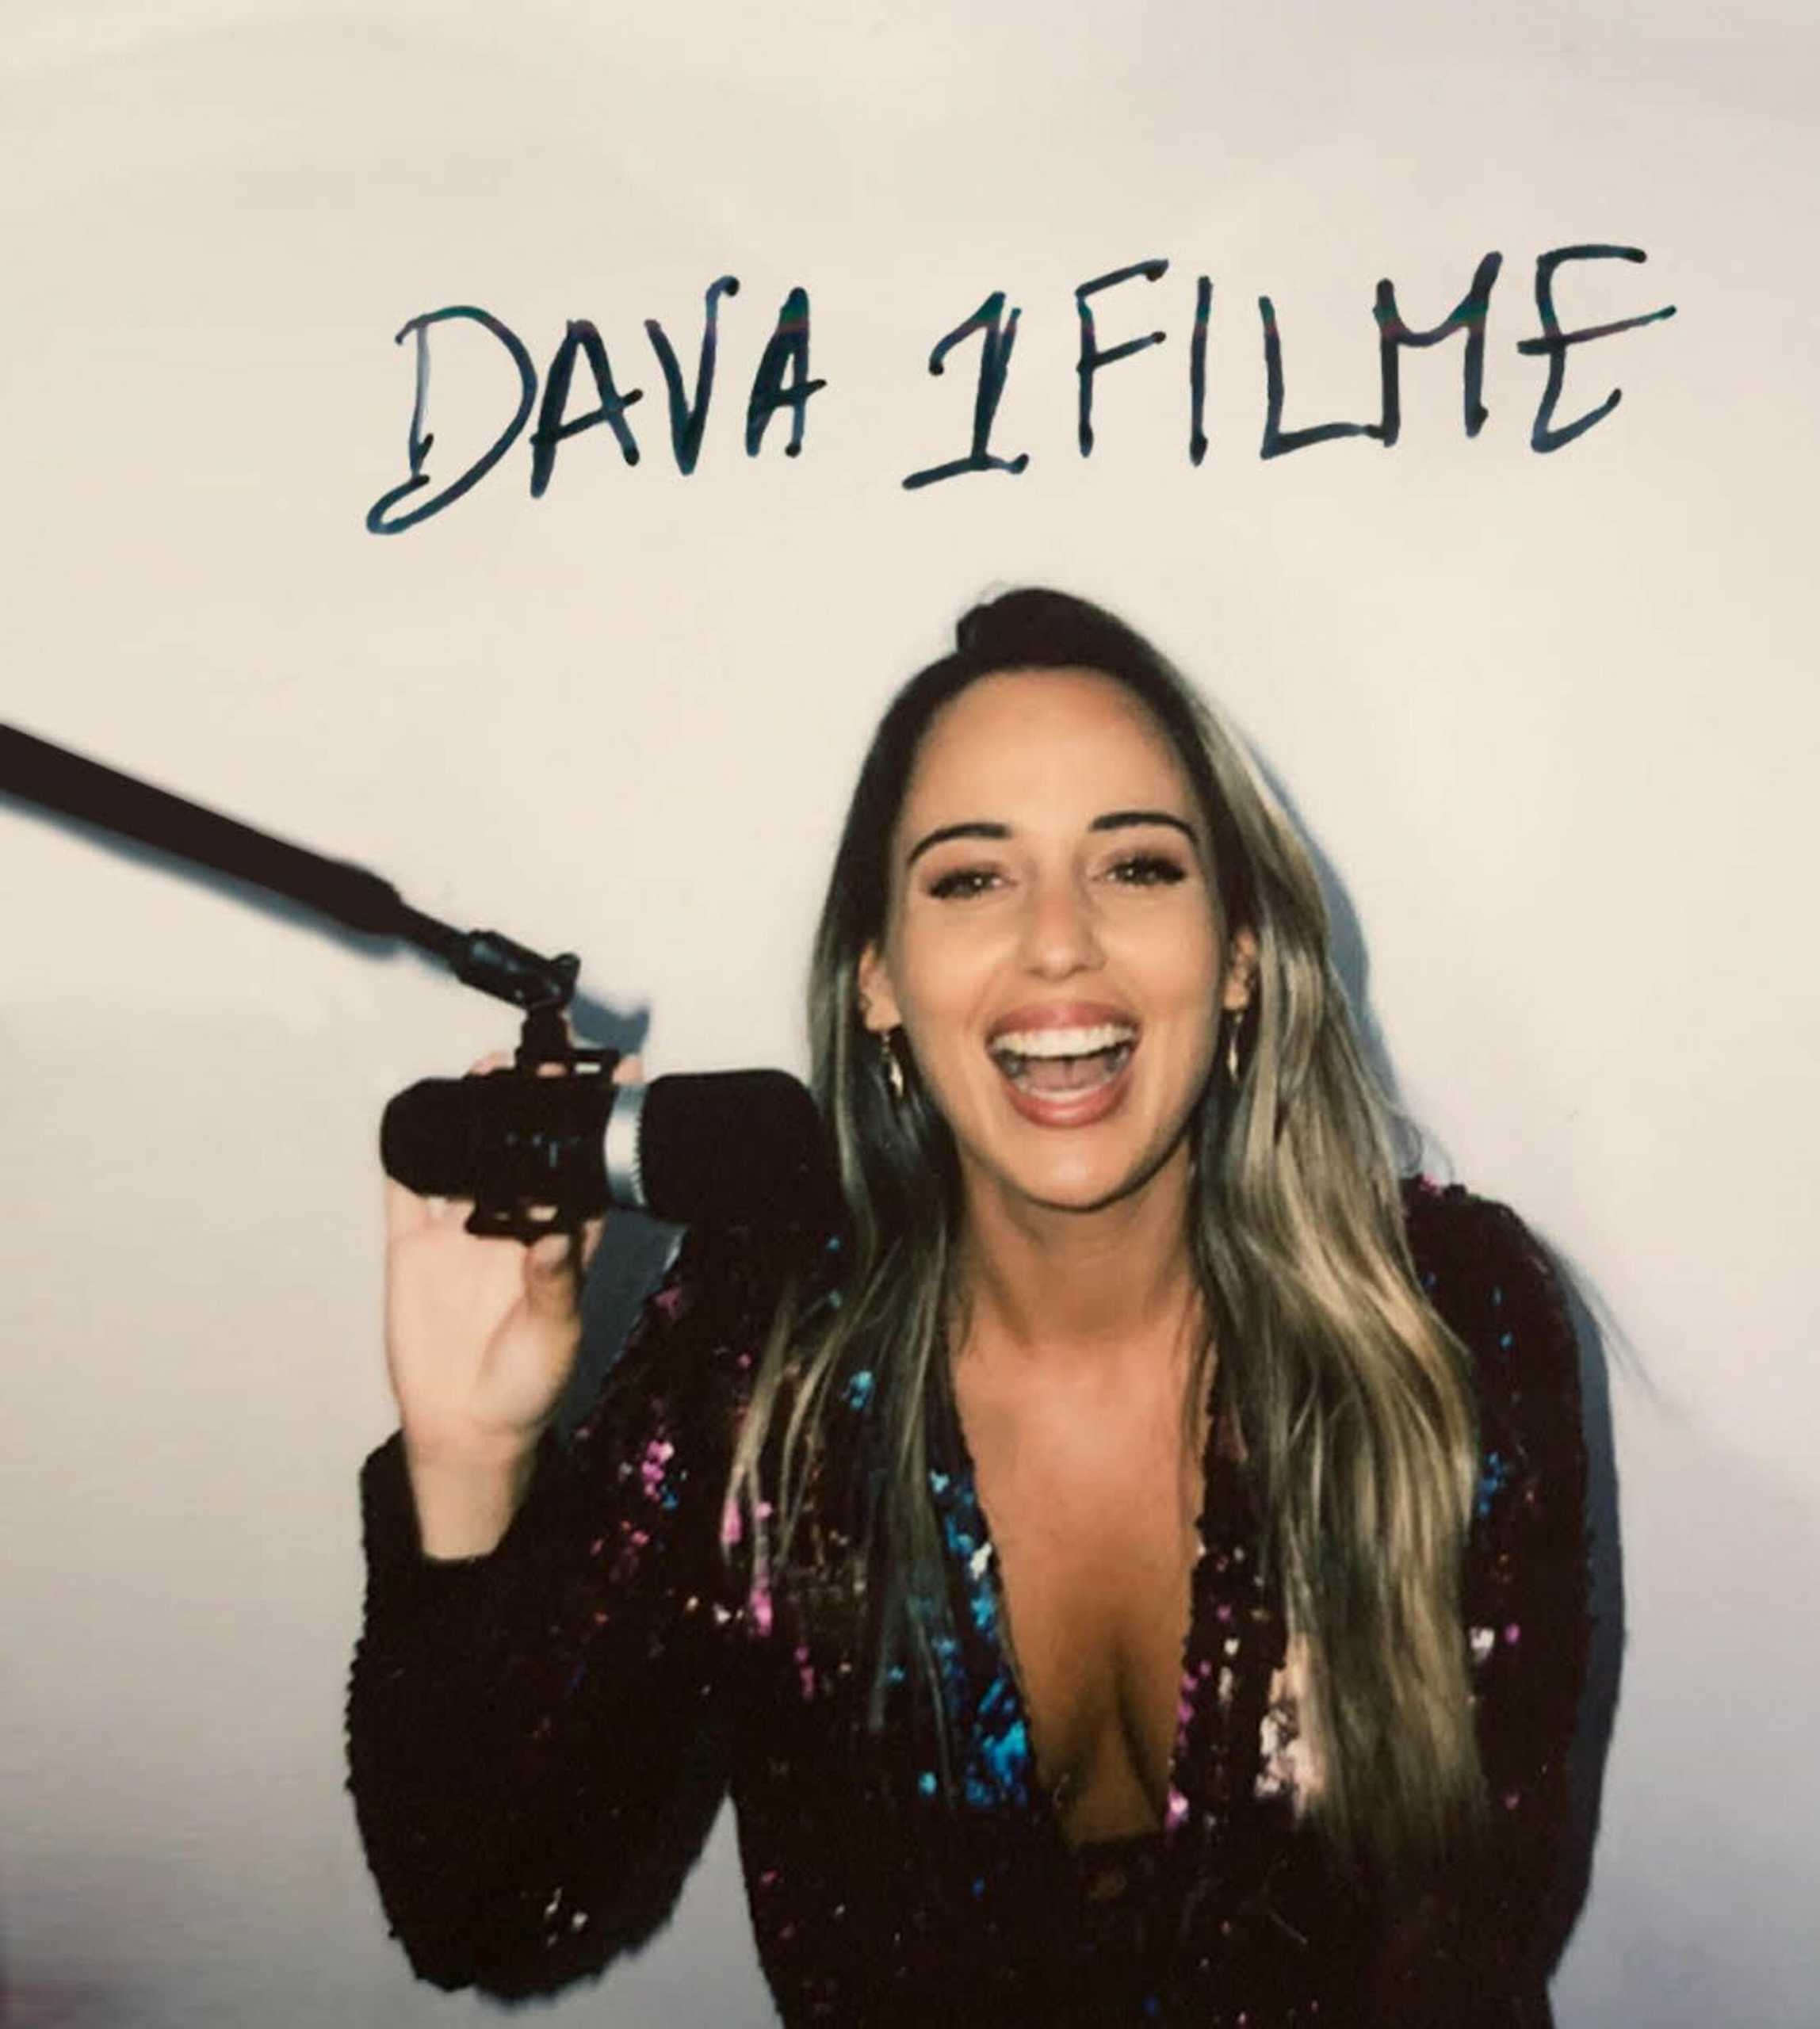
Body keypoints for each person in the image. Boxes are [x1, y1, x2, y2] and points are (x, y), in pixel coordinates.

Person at [347, 587, 1591, 2027]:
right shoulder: (760, 1359)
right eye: (971, 879)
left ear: (1242, 954)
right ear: (877, 979)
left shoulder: (1448, 1324)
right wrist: (470, 1450)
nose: (1058, 942)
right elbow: (486, 1904)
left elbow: (1470, 1939)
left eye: (1136, 865)